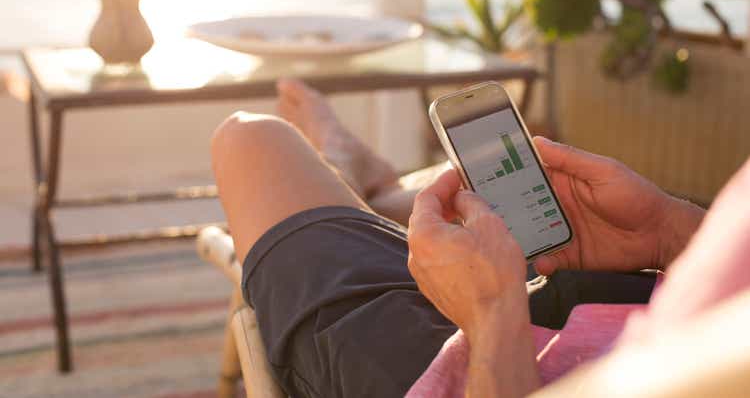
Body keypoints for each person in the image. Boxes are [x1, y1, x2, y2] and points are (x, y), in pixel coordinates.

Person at [211, 79, 736, 398]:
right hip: (604, 305)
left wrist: (493, 319)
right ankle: (367, 183)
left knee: (251, 138)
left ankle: (353, 172)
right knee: (489, 209)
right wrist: (673, 231)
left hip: (479, 370)